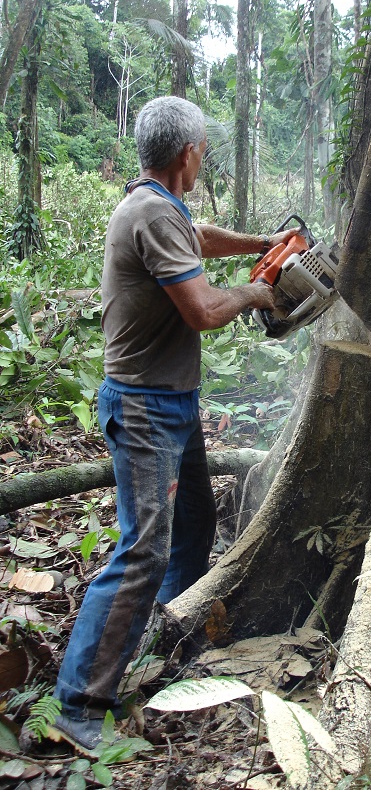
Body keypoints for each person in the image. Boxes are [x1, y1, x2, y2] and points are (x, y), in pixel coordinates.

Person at [49, 96, 297, 752]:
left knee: (191, 528)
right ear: (187, 152)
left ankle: (169, 633)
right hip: (145, 407)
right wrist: (253, 291)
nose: (204, 155)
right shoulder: (152, 212)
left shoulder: (159, 206)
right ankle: (77, 704)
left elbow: (200, 237)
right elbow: (203, 311)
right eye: (203, 147)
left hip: (171, 403)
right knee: (143, 548)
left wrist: (264, 244)